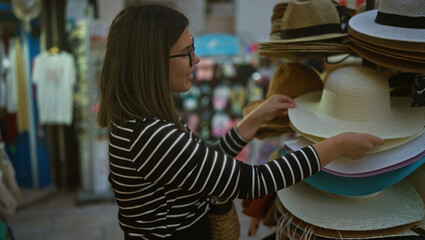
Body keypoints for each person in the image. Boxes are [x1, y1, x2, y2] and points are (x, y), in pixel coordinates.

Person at [97, 4, 384, 240]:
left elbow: (205, 165)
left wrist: (256, 119)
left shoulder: (138, 124)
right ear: (153, 61)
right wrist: (334, 147)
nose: (196, 59)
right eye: (187, 52)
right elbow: (251, 182)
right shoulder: (152, 135)